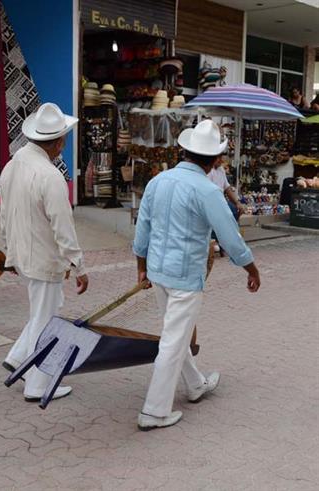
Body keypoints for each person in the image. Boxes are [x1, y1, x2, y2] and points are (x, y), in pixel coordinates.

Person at [133, 120, 260, 431]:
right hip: (185, 276)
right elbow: (230, 238)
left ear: (185, 151)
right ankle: (154, 411)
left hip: (159, 273)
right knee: (173, 342)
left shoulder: (158, 181)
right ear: (215, 160)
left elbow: (142, 228)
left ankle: (195, 385)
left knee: (175, 334)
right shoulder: (207, 190)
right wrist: (251, 268)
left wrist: (141, 266)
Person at [0, 103, 88, 403]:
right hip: (42, 258)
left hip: (23, 254)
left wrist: (8, 250)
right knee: (46, 319)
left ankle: (18, 358)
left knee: (41, 311)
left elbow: (4, 214)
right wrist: (78, 264)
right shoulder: (49, 176)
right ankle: (36, 383)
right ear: (59, 141)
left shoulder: (13, 165)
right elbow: (63, 226)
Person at [208, 155, 244, 253]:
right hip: (210, 201)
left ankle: (226, 237)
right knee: (223, 213)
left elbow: (227, 188)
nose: (221, 160)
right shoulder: (208, 170)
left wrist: (237, 202)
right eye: (218, 158)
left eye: (221, 158)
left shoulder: (221, 170)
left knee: (236, 209)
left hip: (220, 200)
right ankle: (214, 239)